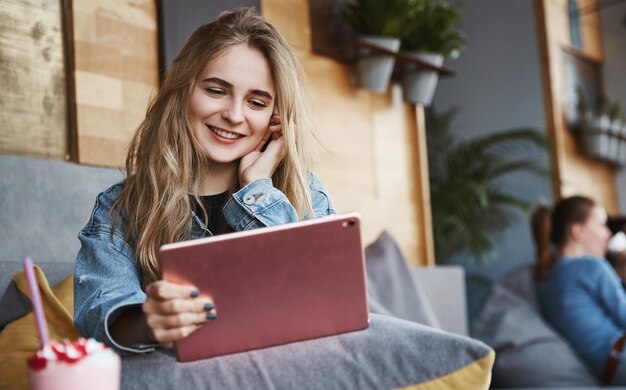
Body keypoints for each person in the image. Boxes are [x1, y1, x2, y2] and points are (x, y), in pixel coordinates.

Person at [73, 7, 335, 354]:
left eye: (256, 102)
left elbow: (321, 302)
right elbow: (100, 310)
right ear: (184, 92)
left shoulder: (306, 195)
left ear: (278, 118)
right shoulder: (119, 207)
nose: (234, 115)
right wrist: (148, 321)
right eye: (216, 90)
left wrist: (258, 187)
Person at [531, 196, 626, 385]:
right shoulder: (592, 266)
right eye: (602, 225)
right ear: (578, 231)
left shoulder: (545, 279)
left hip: (606, 370)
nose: (608, 235)